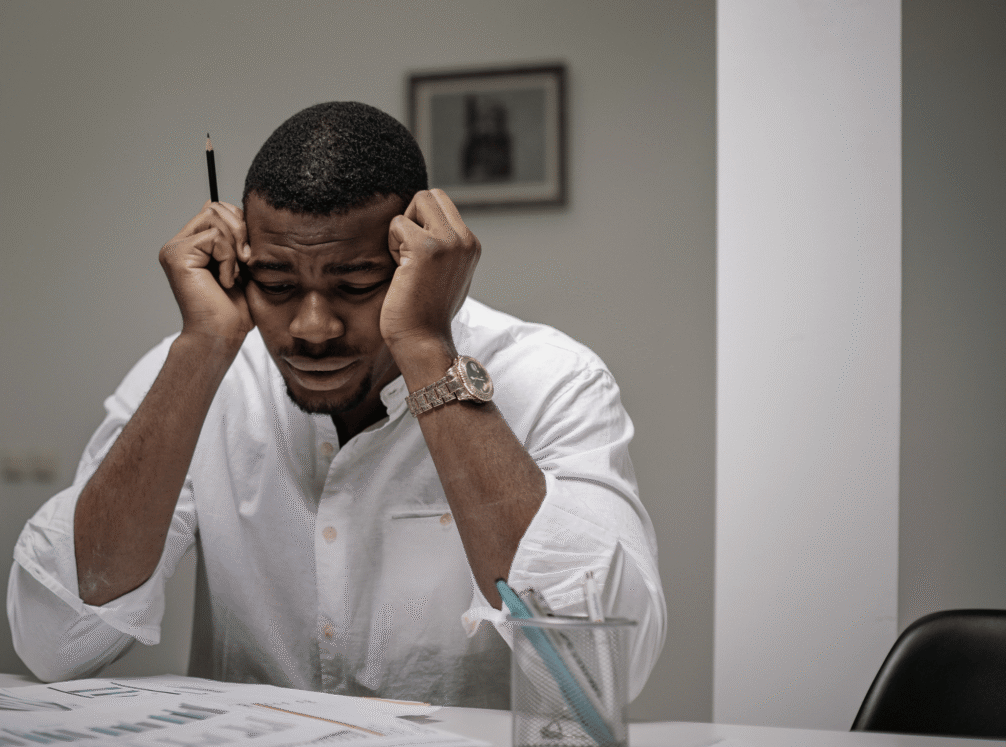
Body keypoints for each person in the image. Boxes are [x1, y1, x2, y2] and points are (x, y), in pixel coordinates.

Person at [7, 102, 666, 708]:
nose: (313, 327)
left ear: (416, 262)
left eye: (355, 284)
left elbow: (597, 664)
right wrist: (202, 345)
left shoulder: (553, 378)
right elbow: (54, 640)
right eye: (277, 283)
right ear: (240, 265)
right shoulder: (202, 368)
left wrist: (425, 347)